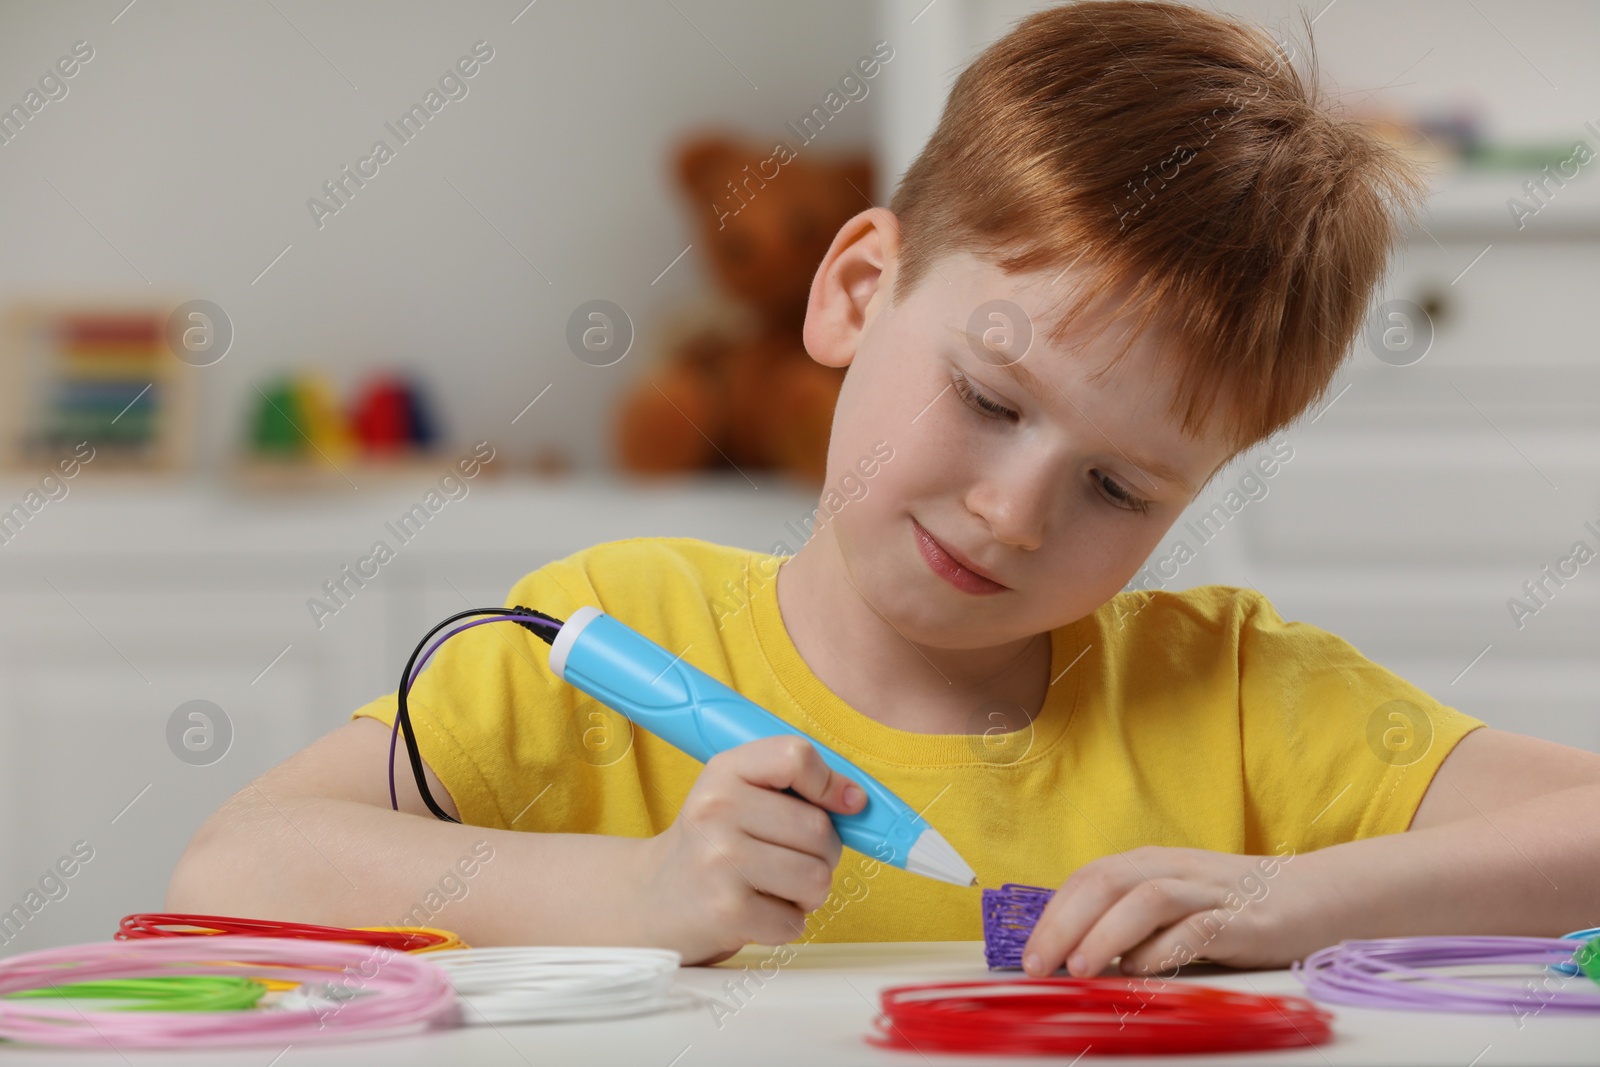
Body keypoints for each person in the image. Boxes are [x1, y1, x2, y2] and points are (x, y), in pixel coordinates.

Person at [168, 0, 1600, 978]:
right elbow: (229, 875)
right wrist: (638, 895)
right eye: (987, 399)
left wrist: (1292, 897)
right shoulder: (612, 644)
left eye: (1120, 485)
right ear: (856, 288)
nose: (1014, 512)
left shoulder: (1231, 697)